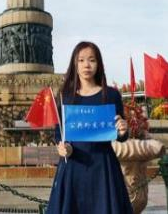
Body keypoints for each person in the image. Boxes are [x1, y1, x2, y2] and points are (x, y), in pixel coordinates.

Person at [46, 41, 134, 214]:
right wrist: (63, 147)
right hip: (72, 167)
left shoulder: (111, 95)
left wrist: (123, 130)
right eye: (81, 60)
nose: (86, 65)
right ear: (75, 64)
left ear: (98, 64)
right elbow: (59, 133)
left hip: (104, 167)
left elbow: (120, 135)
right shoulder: (65, 96)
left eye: (92, 60)